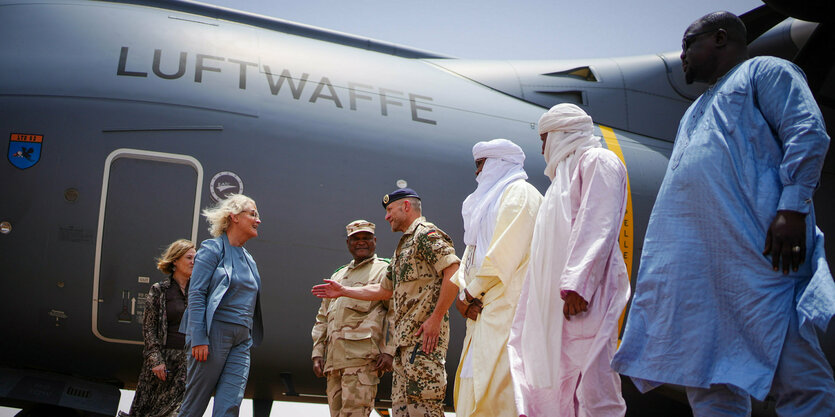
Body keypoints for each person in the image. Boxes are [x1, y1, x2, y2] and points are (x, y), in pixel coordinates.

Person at [611, 11, 835, 417]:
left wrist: (792, 209)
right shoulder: (696, 109)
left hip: (755, 262)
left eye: (687, 45)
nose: (682, 56)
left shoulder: (764, 72)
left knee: (796, 377)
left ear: (718, 38)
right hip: (700, 280)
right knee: (707, 382)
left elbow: (807, 132)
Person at [507, 103, 630, 417]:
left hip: (586, 295)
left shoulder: (598, 161)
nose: (543, 148)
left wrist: (578, 285)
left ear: (561, 134)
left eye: (544, 139)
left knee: (594, 382)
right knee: (557, 385)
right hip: (557, 303)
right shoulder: (558, 184)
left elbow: (597, 222)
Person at [312, 188, 460, 417]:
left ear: (406, 207)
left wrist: (436, 318)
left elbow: (453, 270)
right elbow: (383, 290)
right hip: (404, 348)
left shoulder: (426, 235)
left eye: (390, 210)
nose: (386, 216)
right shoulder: (403, 247)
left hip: (424, 345)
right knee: (403, 412)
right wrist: (343, 290)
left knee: (424, 410)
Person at [452, 139, 542, 417]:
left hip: (508, 311)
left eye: (481, 164)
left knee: (502, 393)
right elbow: (471, 256)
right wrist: (462, 295)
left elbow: (504, 254)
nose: (477, 173)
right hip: (480, 314)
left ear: (501, 162)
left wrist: (470, 294)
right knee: (472, 389)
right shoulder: (486, 205)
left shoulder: (520, 194)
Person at [179, 194, 264, 417]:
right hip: (213, 332)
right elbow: (197, 294)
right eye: (253, 214)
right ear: (234, 217)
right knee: (194, 406)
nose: (258, 220)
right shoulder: (212, 249)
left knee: (230, 406)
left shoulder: (249, 259)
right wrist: (198, 337)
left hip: (242, 339)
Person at [311, 220, 396, 417]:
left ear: (374, 240)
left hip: (362, 361)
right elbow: (323, 317)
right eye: (355, 239)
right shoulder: (338, 276)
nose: (361, 242)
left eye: (366, 238)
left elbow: (395, 313)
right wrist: (317, 352)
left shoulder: (385, 271)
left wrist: (389, 351)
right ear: (348, 243)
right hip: (334, 363)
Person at [121, 239, 196, 417]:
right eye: (189, 257)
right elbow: (149, 328)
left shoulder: (199, 292)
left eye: (196, 258)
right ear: (175, 261)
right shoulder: (159, 291)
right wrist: (156, 361)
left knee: (177, 413)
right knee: (149, 412)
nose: (194, 262)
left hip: (187, 364)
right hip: (163, 363)